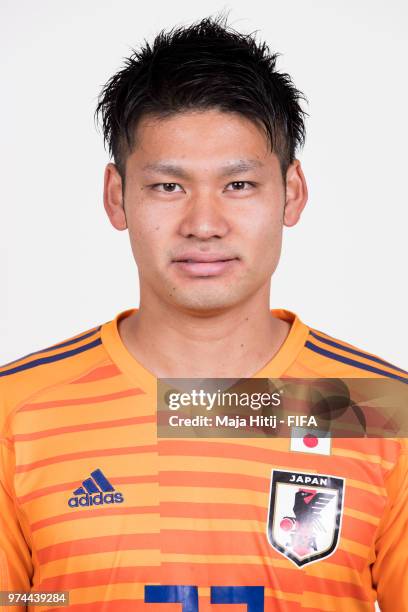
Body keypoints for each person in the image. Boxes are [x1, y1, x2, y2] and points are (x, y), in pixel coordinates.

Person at [0, 15, 407, 612]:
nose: (204, 224)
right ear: (116, 196)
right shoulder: (17, 411)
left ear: (292, 193)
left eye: (239, 185)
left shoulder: (379, 410)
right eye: (168, 187)